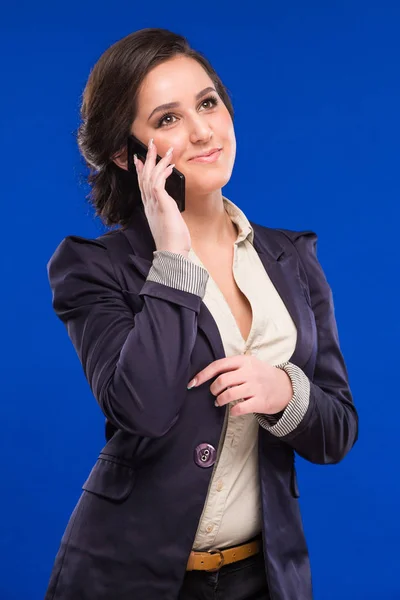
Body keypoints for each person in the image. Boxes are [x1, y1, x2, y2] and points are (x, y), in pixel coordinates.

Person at [44, 27, 358, 600]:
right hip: (128, 578)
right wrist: (171, 257)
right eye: (167, 119)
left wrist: (284, 394)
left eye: (208, 102)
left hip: (264, 577)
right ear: (125, 153)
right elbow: (142, 407)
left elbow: (338, 429)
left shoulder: (293, 258)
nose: (202, 130)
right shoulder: (93, 267)